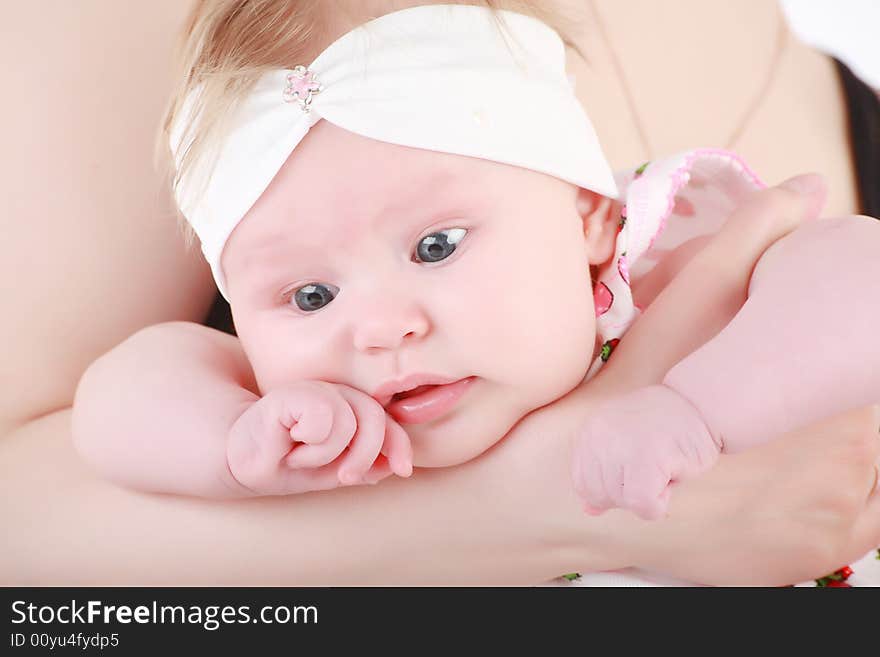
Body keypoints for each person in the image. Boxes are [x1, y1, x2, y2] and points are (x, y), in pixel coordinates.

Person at [2, 0, 879, 586]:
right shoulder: (317, 426)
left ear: (593, 221)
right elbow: (127, 389)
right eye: (309, 296)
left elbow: (858, 272)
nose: (381, 328)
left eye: (436, 246)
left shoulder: (660, 281)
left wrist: (696, 412)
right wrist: (233, 449)